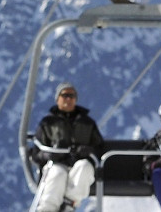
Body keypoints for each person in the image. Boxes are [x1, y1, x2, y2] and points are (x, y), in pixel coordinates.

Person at [27, 82, 104, 212]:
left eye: (72, 96)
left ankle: (69, 205)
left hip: (78, 163)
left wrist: (88, 151)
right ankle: (47, 209)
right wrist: (49, 155)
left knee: (84, 168)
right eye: (65, 95)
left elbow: (99, 147)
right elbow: (36, 153)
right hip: (57, 163)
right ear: (58, 99)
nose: (68, 99)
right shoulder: (48, 123)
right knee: (57, 173)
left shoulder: (87, 123)